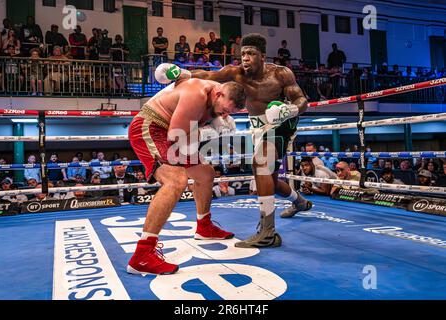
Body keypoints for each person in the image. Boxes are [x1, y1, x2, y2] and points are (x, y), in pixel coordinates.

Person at [156, 33, 312, 248]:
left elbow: (302, 100)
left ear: (263, 56)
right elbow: (206, 75)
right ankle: (300, 202)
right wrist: (180, 73)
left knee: (260, 164)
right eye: (243, 53)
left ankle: (268, 233)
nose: (246, 58)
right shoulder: (235, 73)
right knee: (270, 182)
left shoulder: (281, 74)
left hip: (281, 122)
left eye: (251, 53)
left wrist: (290, 110)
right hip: (257, 126)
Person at [127, 74, 246, 274]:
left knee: (206, 174)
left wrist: (217, 120)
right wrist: (210, 131)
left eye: (228, 114)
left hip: (176, 134)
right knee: (176, 180)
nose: (224, 115)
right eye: (224, 111)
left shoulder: (216, 97)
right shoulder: (197, 94)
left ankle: (204, 227)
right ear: (218, 94)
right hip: (152, 128)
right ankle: (142, 255)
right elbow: (176, 135)